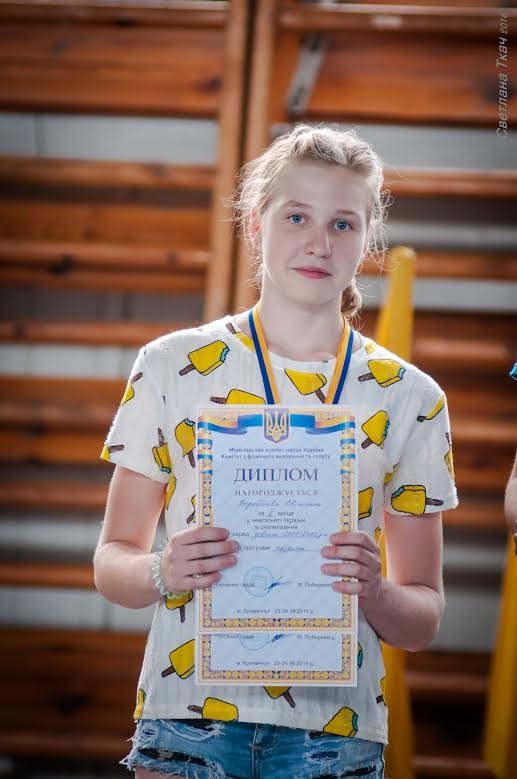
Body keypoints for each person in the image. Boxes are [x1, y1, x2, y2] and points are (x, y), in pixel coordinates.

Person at [94, 123, 458, 779]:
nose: (319, 242)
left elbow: (422, 618)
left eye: (343, 223)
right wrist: (163, 569)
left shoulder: (412, 398)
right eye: (297, 216)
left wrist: (375, 591)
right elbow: (110, 563)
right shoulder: (169, 366)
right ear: (256, 225)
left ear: (367, 240)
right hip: (186, 716)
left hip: (335, 729)